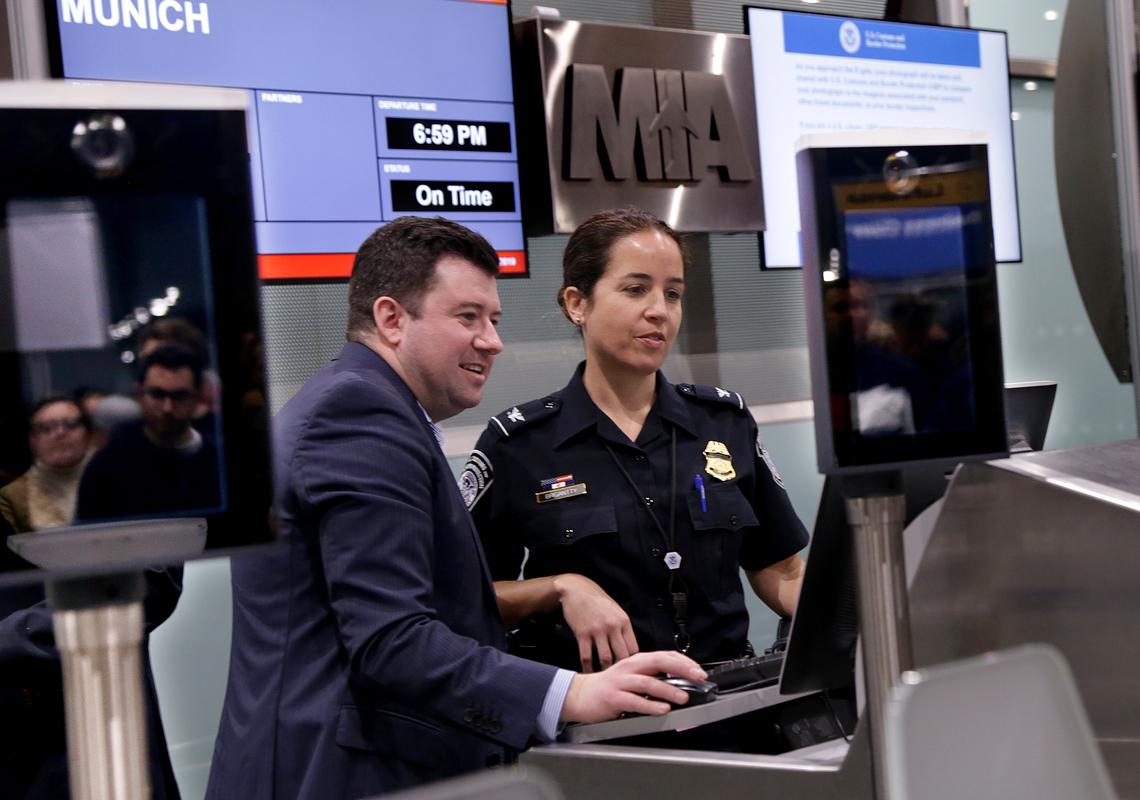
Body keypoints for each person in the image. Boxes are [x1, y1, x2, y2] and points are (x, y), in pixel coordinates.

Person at [205, 216, 705, 800]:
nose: (491, 340)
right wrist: (572, 693)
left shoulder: (371, 410)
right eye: (467, 317)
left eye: (493, 320)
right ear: (391, 319)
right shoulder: (357, 420)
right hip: (333, 775)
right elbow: (392, 640)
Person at [465, 207, 809, 678]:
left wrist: (858, 608)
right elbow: (468, 593)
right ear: (576, 303)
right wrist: (560, 587)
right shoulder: (519, 443)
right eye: (635, 289)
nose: (659, 311)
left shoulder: (724, 423)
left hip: (726, 704)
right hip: (599, 721)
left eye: (673, 294)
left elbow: (783, 570)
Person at [76, 343, 221, 521]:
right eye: (158, 394)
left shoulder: (218, 462)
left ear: (197, 397)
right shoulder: (108, 465)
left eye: (179, 396)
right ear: (139, 394)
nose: (168, 408)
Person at [0, 396, 92, 533]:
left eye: (71, 425)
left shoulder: (116, 478)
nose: (60, 433)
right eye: (46, 428)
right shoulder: (12, 496)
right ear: (32, 440)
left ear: (88, 434)